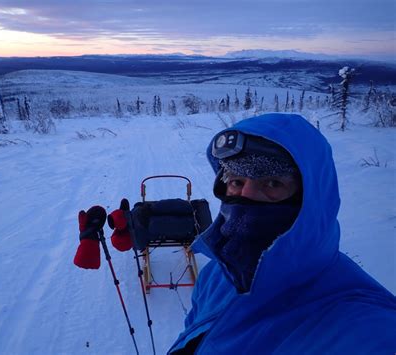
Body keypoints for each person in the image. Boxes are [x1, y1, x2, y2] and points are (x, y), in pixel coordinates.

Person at [168, 113, 396, 354]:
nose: (245, 197)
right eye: (236, 181)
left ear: (310, 199)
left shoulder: (363, 326)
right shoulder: (217, 274)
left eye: (272, 184)